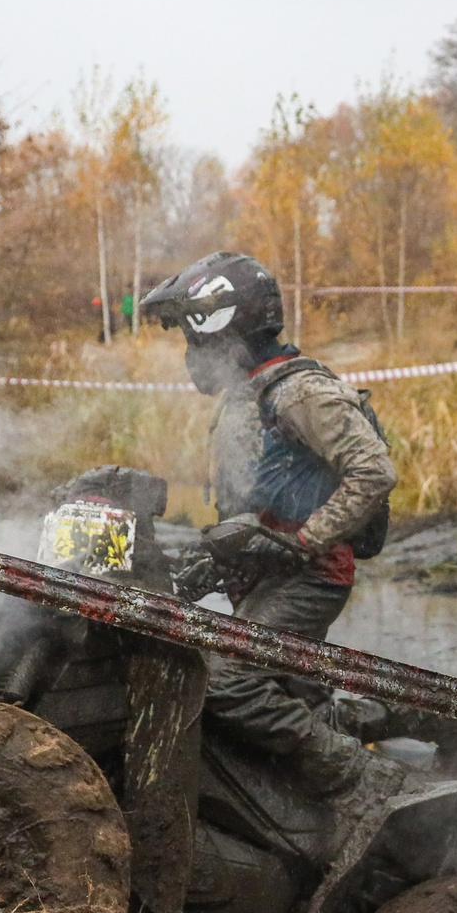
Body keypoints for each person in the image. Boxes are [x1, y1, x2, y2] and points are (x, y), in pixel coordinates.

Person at [140, 250, 395, 791]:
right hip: (270, 574)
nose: (190, 355)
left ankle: (360, 780)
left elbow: (373, 471)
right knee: (296, 696)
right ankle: (415, 723)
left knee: (226, 683)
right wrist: (215, 558)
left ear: (225, 330)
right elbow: (255, 501)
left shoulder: (299, 392)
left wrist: (306, 540)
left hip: (310, 575)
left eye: (192, 338)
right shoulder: (250, 390)